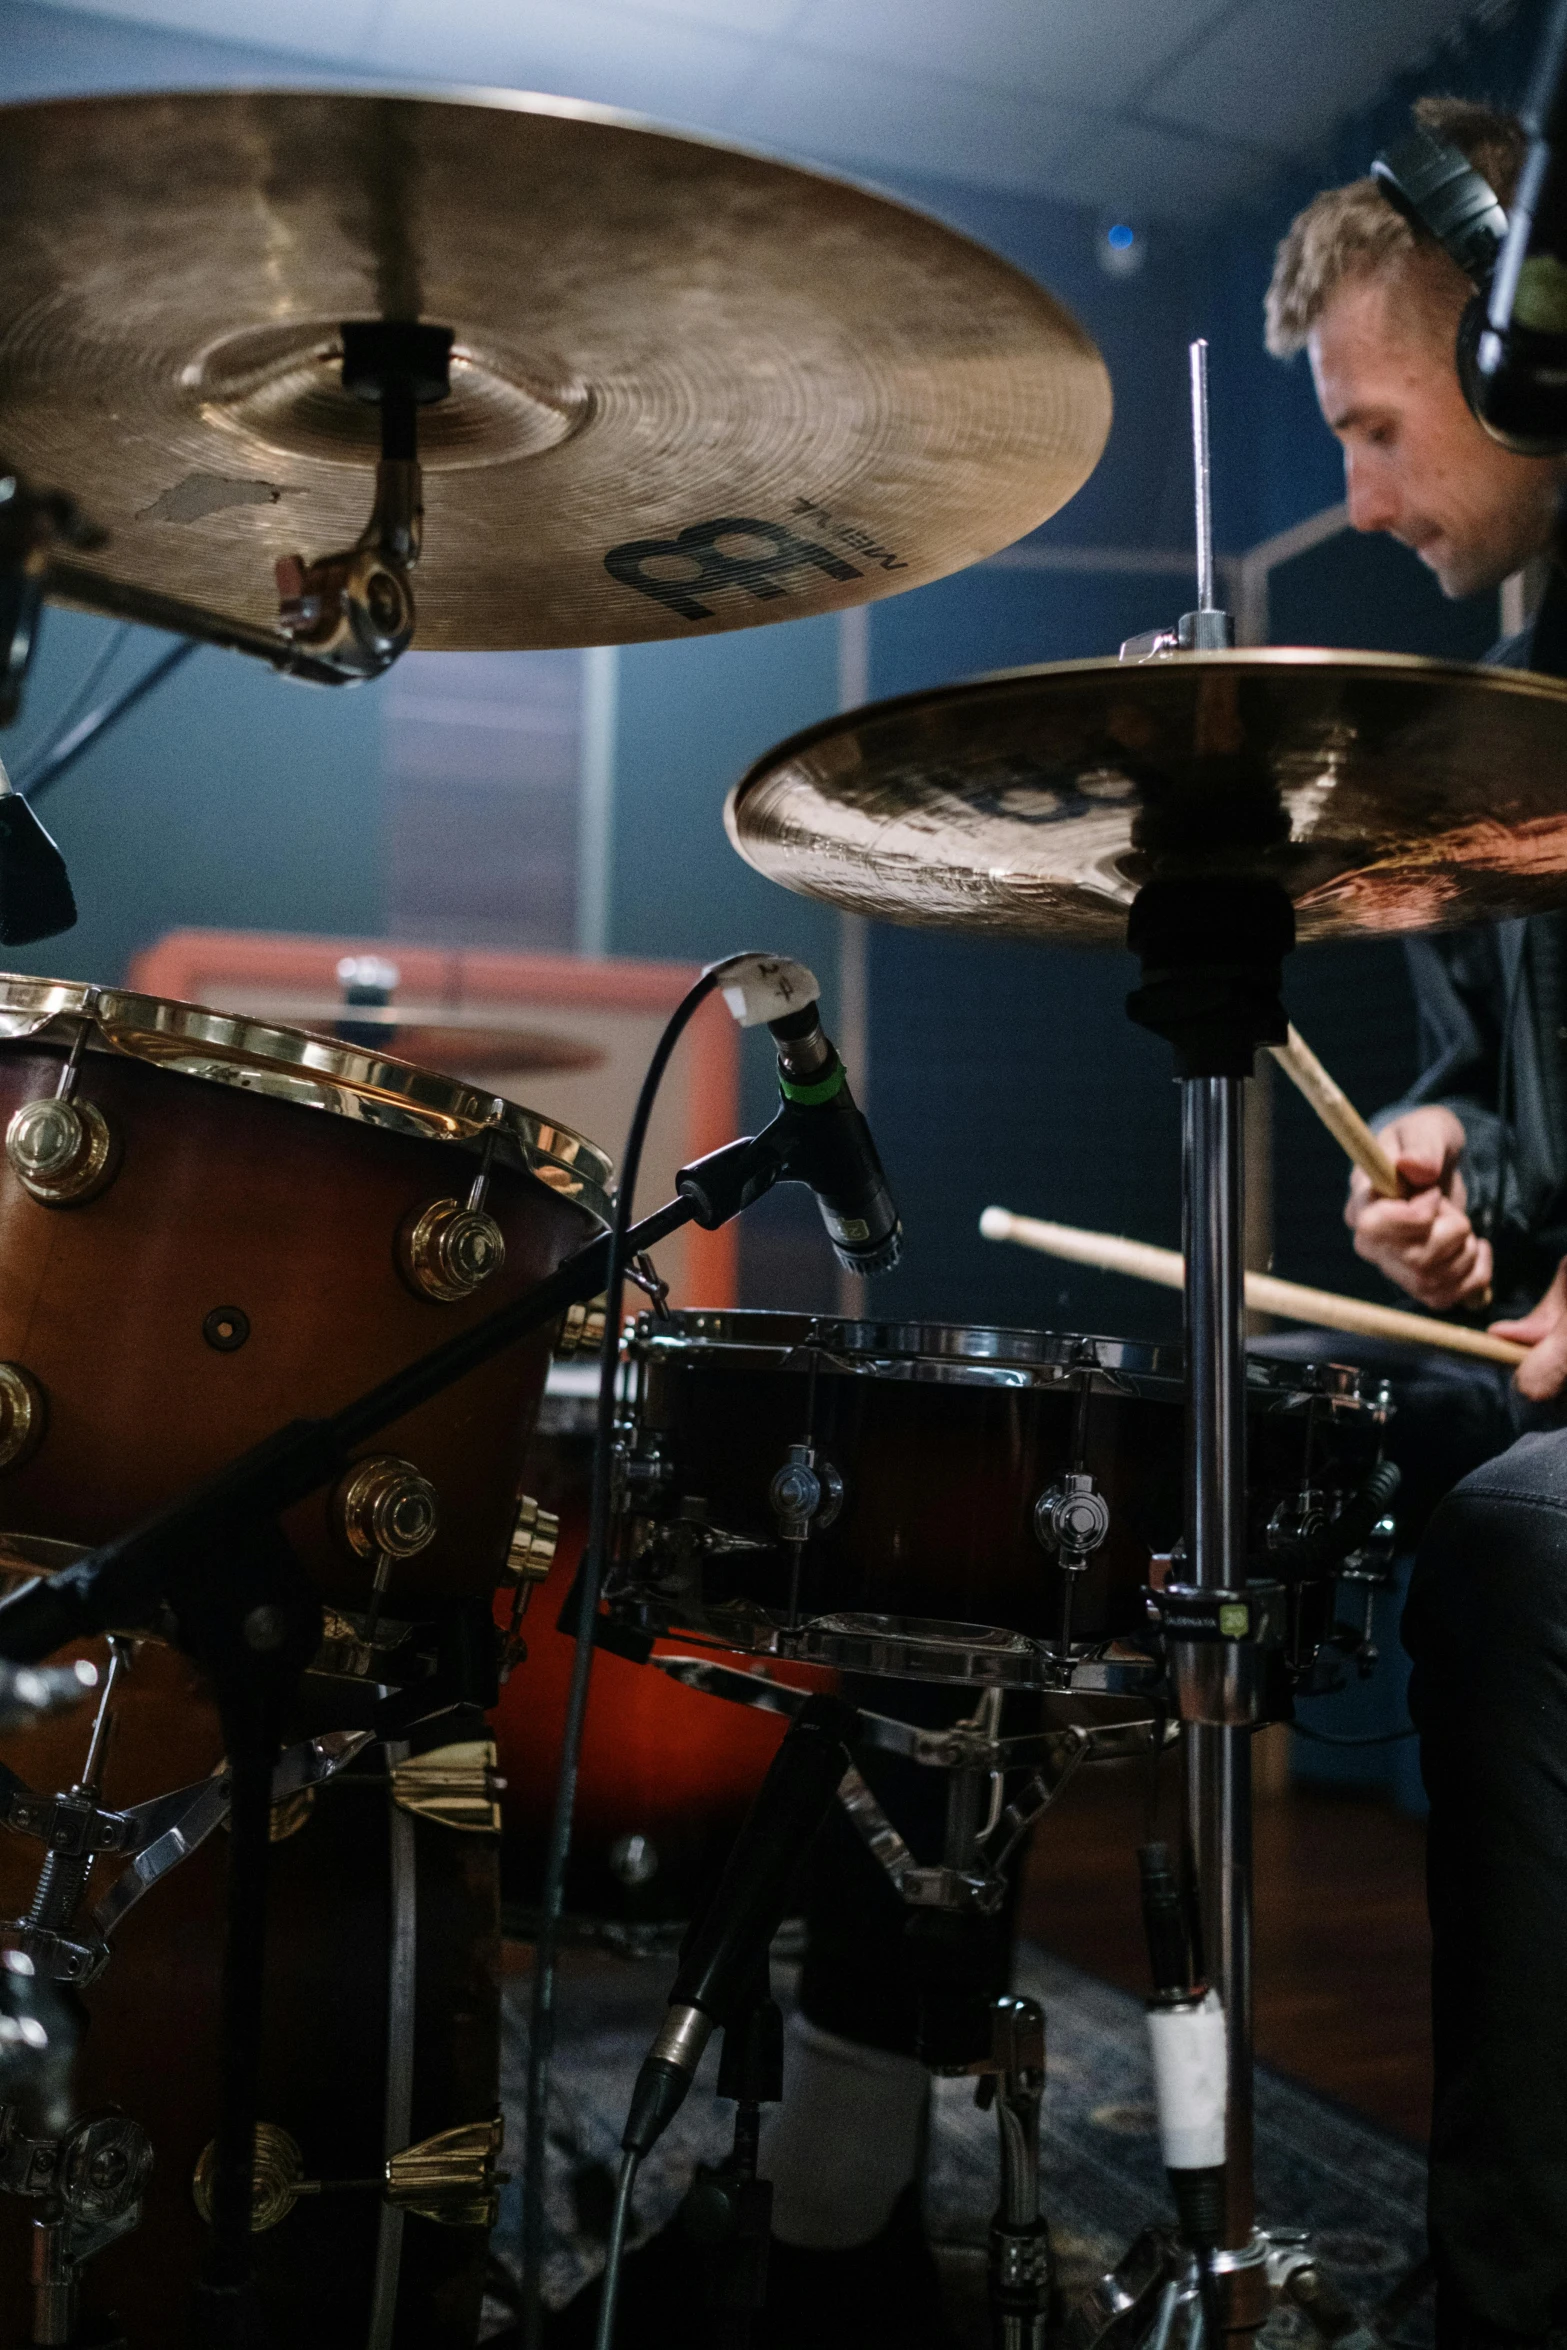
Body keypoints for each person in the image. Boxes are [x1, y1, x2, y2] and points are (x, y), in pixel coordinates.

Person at [1267, 95, 1567, 2347]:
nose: (1359, 494)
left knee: (1515, 1540)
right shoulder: (1499, 709)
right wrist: (1451, 1174)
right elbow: (1501, 1087)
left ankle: (1509, 2294)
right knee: (1308, 1433)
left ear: (1522, 347)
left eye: (1378, 426)